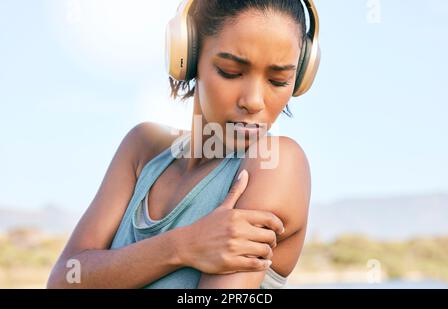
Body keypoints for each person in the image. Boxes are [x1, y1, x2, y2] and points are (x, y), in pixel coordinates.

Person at [47, 0, 319, 289]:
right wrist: (182, 246)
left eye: (278, 80)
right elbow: (65, 278)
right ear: (188, 57)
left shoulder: (276, 164)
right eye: (230, 71)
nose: (253, 101)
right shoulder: (142, 149)